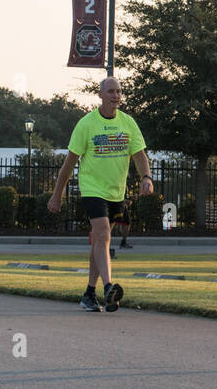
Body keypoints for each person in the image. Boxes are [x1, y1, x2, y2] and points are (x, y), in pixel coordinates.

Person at [48, 77, 153, 311]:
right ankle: (108, 288)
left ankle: (88, 293)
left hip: (116, 192)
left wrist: (146, 177)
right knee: (103, 234)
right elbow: (68, 164)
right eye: (111, 91)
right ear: (100, 94)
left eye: (119, 91)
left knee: (99, 242)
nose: (116, 95)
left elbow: (139, 155)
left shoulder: (128, 123)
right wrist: (57, 195)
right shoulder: (86, 124)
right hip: (92, 189)